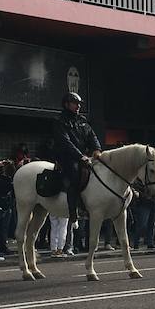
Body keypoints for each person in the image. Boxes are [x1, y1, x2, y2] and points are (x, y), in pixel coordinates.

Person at [51, 91, 101, 234]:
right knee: (75, 174)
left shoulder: (82, 120)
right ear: (66, 104)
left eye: (79, 104)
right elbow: (65, 142)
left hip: (83, 157)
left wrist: (97, 149)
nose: (78, 106)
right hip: (67, 157)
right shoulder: (59, 120)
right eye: (75, 103)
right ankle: (74, 213)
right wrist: (80, 156)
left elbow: (92, 136)